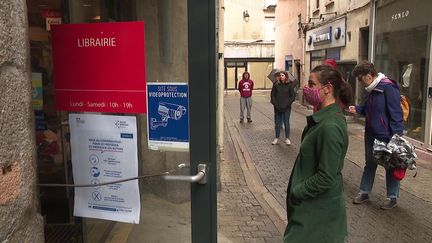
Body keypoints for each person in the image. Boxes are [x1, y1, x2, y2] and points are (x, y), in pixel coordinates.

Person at [284, 65, 352, 242]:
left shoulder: (330, 127)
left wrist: (297, 192)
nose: (306, 89)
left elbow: (326, 176)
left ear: (327, 89)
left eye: (311, 84)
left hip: (318, 214)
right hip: (311, 210)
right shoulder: (322, 120)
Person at [349, 61, 403, 210]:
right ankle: (364, 192)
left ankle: (392, 197)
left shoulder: (388, 87)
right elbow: (368, 109)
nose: (360, 82)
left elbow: (396, 114)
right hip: (370, 134)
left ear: (369, 75)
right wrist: (358, 109)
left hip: (385, 135)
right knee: (370, 164)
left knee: (390, 166)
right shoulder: (371, 89)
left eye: (361, 78)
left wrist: (396, 138)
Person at [270, 71, 295, 145]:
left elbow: (292, 96)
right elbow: (273, 94)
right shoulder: (276, 84)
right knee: (278, 123)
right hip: (277, 107)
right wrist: (274, 103)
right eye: (280, 75)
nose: (281, 76)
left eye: (282, 75)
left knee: (286, 122)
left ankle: (287, 138)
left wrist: (288, 104)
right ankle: (276, 138)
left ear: (286, 76)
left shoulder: (290, 85)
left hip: (286, 107)